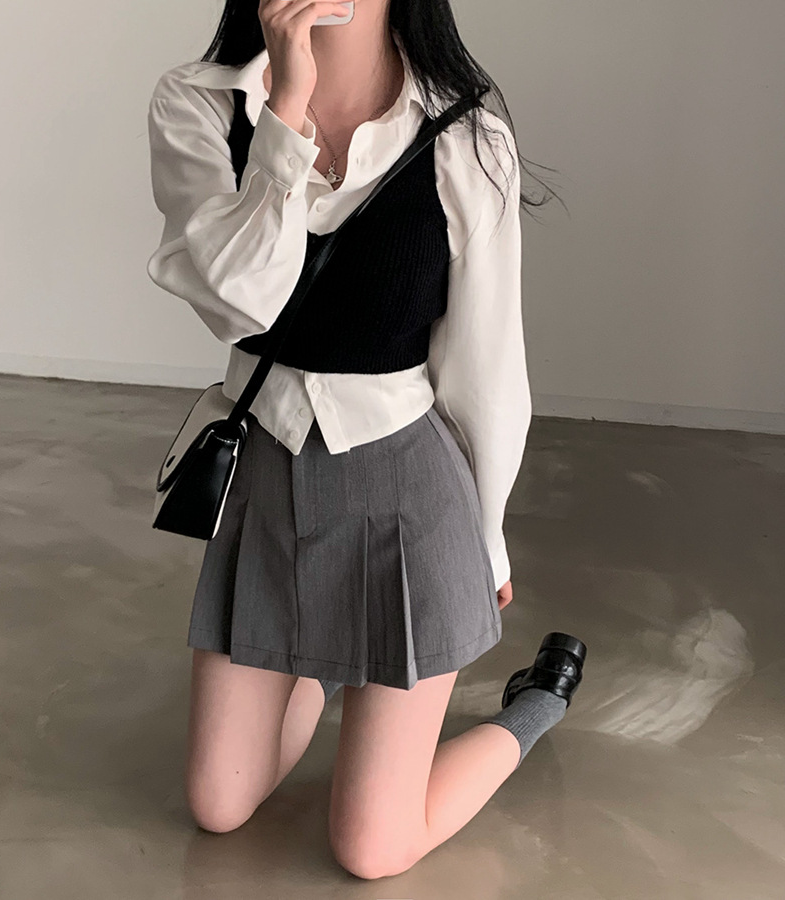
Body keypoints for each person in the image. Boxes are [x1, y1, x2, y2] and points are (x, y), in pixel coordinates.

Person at [145, 0, 587, 880]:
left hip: (406, 494)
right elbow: (243, 304)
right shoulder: (201, 104)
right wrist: (285, 112)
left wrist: (489, 535)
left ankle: (537, 704)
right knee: (219, 805)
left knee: (372, 848)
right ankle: (331, 661)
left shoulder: (469, 138)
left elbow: (486, 371)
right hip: (263, 477)